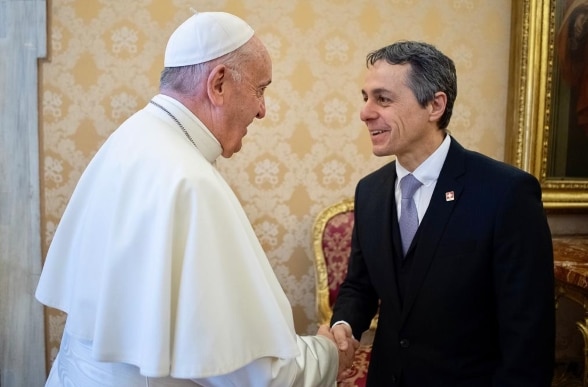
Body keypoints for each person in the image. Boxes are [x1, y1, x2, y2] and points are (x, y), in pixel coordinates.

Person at [35, 11, 357, 387]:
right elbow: (253, 374)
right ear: (218, 83)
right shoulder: (189, 181)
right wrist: (329, 354)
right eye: (260, 89)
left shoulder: (132, 136)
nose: (262, 109)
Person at [330, 41, 555, 386]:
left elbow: (528, 335)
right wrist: (343, 325)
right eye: (365, 97)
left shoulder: (507, 192)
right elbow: (359, 286)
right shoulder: (370, 191)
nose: (365, 112)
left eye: (383, 99)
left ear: (435, 105)